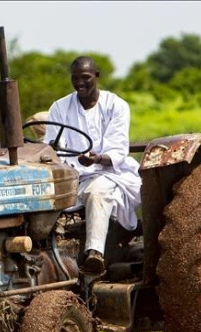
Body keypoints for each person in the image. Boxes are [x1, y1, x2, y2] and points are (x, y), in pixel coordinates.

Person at [44, 56, 141, 275]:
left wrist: (96, 159)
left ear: (96, 76)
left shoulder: (116, 106)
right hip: (72, 174)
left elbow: (117, 151)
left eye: (85, 77)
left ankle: (94, 253)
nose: (80, 83)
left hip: (110, 173)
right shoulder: (59, 107)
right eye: (75, 78)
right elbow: (53, 145)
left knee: (97, 191)